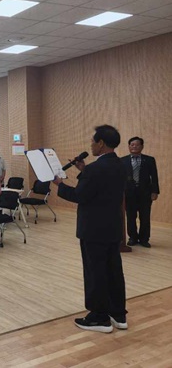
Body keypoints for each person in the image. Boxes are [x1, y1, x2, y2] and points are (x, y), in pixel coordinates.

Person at [53, 125, 127, 333]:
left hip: (94, 229)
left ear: (101, 143)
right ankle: (118, 314)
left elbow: (80, 195)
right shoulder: (121, 165)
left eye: (93, 142)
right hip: (113, 227)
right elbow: (101, 187)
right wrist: (84, 171)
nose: (91, 145)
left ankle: (99, 317)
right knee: (113, 271)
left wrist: (59, 184)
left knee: (95, 272)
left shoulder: (95, 169)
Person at [121, 137, 159, 248]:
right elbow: (120, 178)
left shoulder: (149, 160)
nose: (134, 147)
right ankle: (132, 238)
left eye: (137, 145)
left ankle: (144, 239)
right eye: (132, 145)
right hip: (129, 194)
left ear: (142, 147)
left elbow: (154, 177)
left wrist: (155, 191)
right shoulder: (122, 160)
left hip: (145, 194)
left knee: (145, 217)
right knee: (131, 217)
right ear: (129, 146)